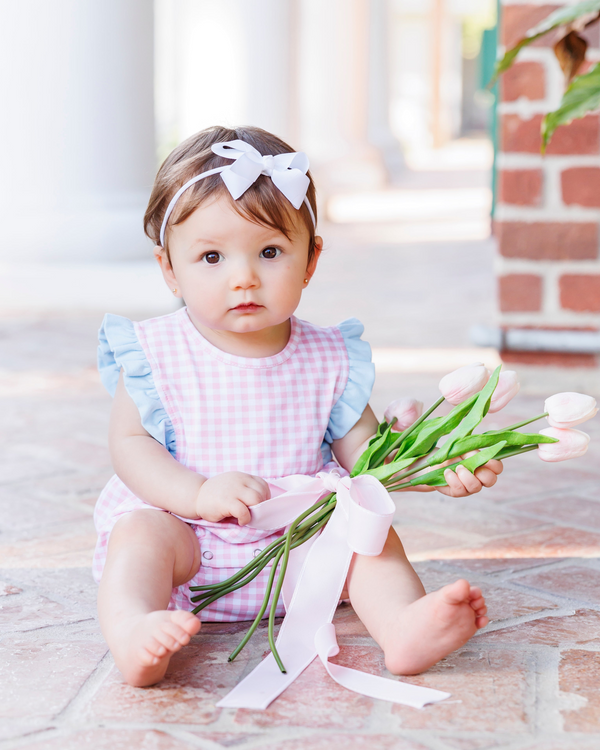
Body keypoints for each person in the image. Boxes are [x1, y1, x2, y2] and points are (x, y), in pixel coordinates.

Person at [94, 125, 502, 688]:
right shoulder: (155, 352)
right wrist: (196, 494)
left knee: (369, 532)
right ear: (169, 269)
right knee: (138, 534)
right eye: (211, 256)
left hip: (303, 545)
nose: (243, 277)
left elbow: (363, 453)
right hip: (187, 544)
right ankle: (134, 629)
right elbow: (130, 446)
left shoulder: (331, 355)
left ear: (310, 261)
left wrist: (422, 464)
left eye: (269, 251)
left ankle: (401, 625)